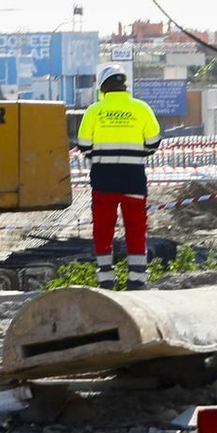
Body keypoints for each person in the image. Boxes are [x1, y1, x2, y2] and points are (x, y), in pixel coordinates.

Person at [77, 65, 160, 289]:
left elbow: (84, 145)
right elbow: (153, 143)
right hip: (133, 179)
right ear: (125, 85)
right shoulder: (141, 108)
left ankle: (105, 279)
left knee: (103, 229)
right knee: (136, 227)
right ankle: (137, 279)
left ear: (102, 87)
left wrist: (101, 155)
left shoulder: (94, 111)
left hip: (104, 180)